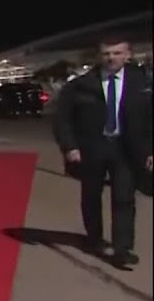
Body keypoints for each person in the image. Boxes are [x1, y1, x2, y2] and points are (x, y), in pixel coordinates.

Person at [52, 38, 153, 270]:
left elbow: (149, 119)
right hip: (91, 150)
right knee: (91, 196)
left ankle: (122, 249)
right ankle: (94, 239)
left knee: (124, 198)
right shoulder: (81, 84)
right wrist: (70, 146)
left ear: (128, 54)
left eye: (117, 53)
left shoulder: (142, 82)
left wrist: (149, 150)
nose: (111, 58)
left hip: (125, 150)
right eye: (107, 53)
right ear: (100, 56)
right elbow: (63, 119)